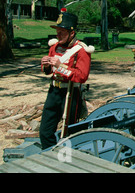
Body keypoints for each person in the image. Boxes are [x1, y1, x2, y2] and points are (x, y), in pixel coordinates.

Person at [39, 9, 94, 149]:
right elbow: (49, 71)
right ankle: (49, 156)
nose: (58, 34)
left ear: (72, 33)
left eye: (62, 32)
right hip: (54, 92)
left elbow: (82, 76)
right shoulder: (54, 47)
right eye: (57, 31)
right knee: (45, 131)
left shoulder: (81, 51)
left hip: (70, 94)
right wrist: (46, 65)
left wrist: (60, 67)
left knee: (69, 132)